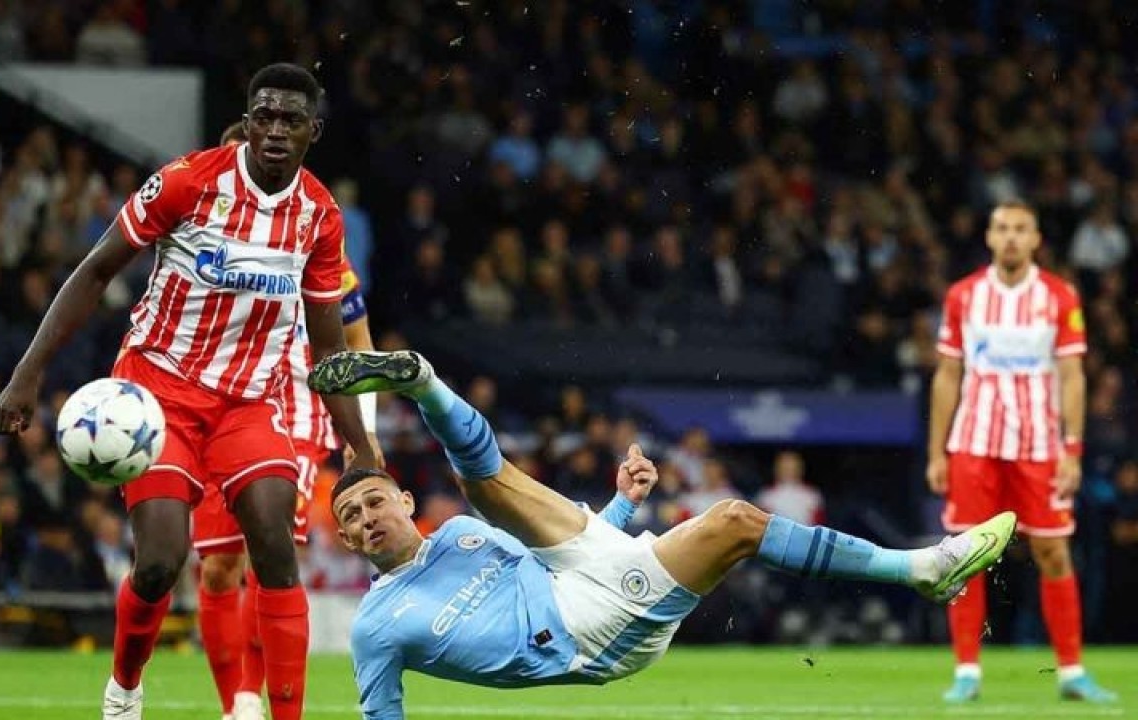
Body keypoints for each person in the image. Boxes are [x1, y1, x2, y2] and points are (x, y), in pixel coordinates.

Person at [307, 349, 1017, 720]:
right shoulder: (377, 627)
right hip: (582, 634)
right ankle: (922, 568)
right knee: (736, 522)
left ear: (403, 498)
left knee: (484, 489)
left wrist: (618, 507)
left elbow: (563, 553)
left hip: (579, 571)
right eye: (352, 519)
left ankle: (424, 382)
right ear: (347, 540)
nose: (368, 519)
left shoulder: (459, 534)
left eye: (374, 501)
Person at [0, 64, 378, 720]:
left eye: (291, 120)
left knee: (276, 549)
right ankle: (124, 690)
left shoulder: (319, 216)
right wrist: (27, 376)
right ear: (247, 122)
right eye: (264, 116)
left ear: (313, 131)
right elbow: (96, 270)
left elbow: (329, 345)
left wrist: (362, 449)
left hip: (250, 401)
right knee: (160, 564)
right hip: (159, 390)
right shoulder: (187, 183)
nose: (275, 130)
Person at [193, 121, 382, 720]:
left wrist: (365, 429)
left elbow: (356, 334)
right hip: (211, 403)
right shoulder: (198, 242)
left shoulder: (307, 233)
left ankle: (256, 700)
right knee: (219, 566)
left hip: (297, 407)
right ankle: (236, 705)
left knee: (269, 545)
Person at [927, 200, 1116, 703]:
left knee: (1052, 551)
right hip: (974, 443)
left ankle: (1071, 672)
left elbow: (1072, 377)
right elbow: (947, 375)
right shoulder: (964, 296)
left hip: (1039, 446)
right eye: (1002, 228)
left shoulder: (1059, 296)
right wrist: (937, 451)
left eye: (1020, 229)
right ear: (990, 237)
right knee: (965, 557)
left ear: (1035, 239)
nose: (1011, 237)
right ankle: (967, 672)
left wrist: (1072, 449)